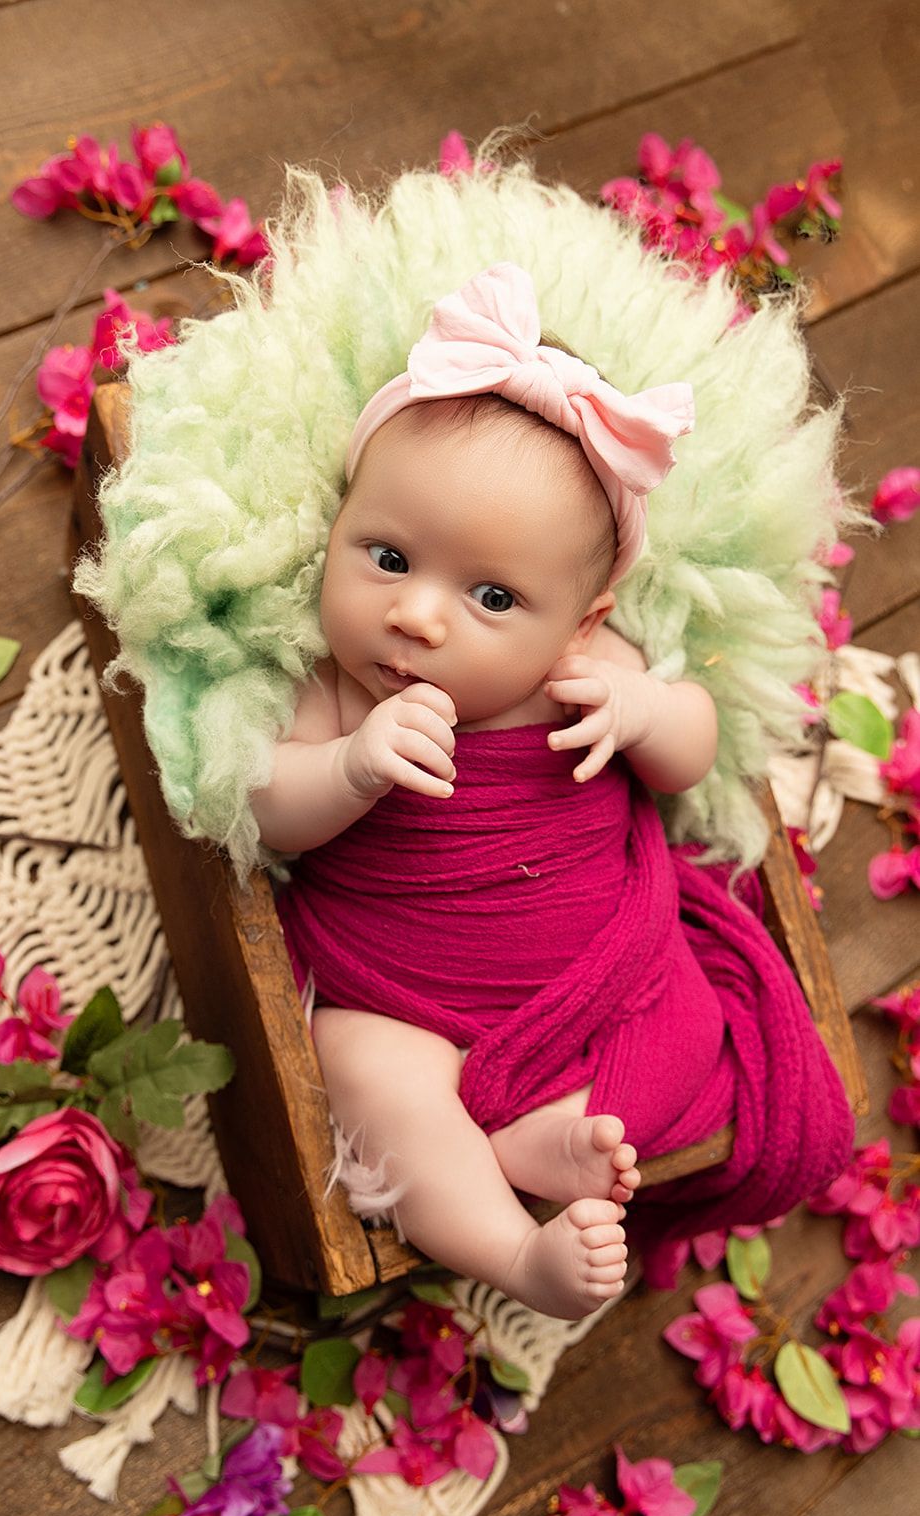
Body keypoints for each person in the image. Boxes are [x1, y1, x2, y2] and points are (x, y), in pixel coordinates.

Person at [250, 260, 853, 1322]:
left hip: (600, 973)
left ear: (579, 619)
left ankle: (547, 1136)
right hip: (401, 995)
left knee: (692, 1026)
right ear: (337, 529)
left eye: (491, 596)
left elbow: (693, 754)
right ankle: (509, 1249)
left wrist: (645, 714)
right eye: (386, 556)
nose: (418, 617)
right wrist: (347, 768)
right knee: (367, 1071)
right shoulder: (335, 692)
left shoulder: (589, 668)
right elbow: (264, 807)